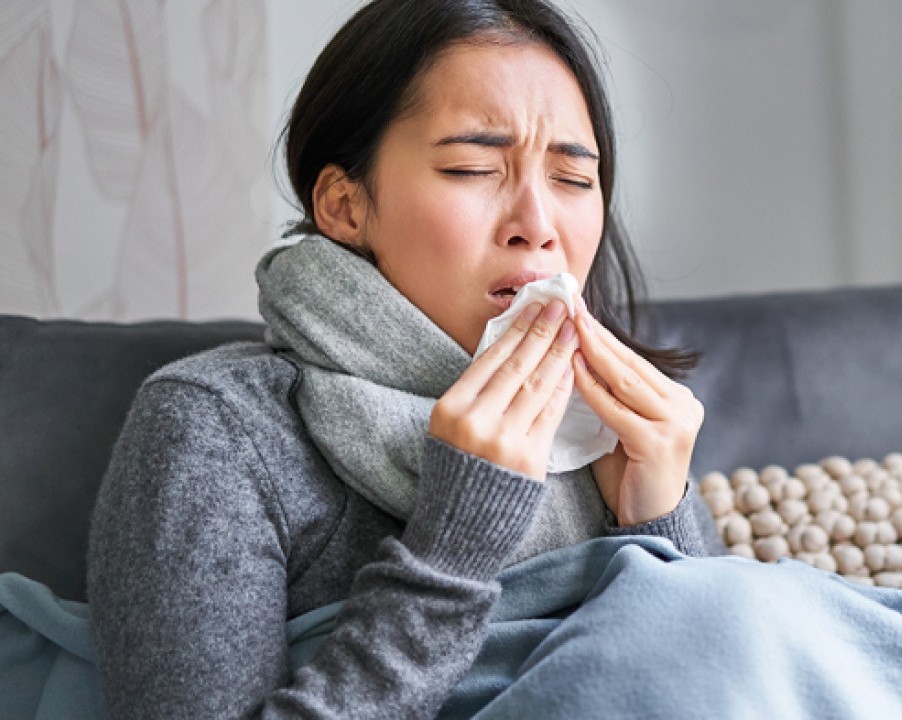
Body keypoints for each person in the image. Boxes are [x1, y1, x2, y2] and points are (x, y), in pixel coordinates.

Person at [87, 0, 719, 716]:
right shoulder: (214, 429)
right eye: (473, 167)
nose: (538, 227)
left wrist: (660, 526)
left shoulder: (617, 431)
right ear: (345, 206)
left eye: (573, 180)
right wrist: (454, 547)